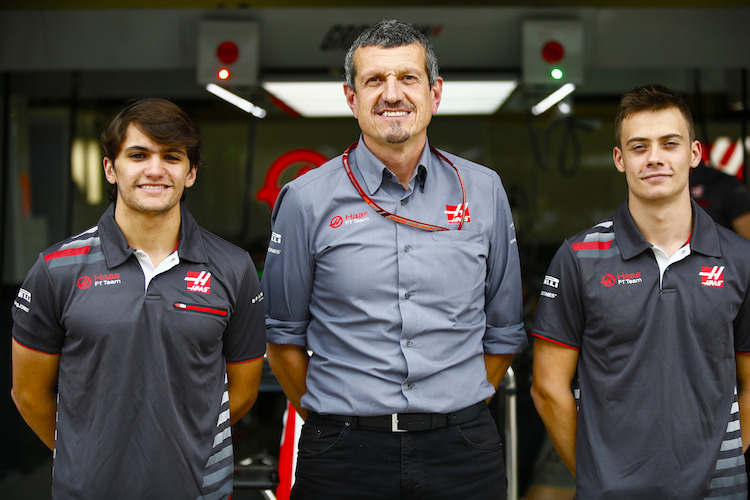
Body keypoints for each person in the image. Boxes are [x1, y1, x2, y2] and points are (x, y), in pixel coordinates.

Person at [262, 19, 527, 499]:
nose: (392, 93)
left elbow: (504, 330)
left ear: (435, 92)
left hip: (463, 453)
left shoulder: (484, 190)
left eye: (408, 78)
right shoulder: (304, 200)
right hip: (343, 455)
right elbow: (283, 340)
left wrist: (450, 410)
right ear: (351, 98)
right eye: (374, 80)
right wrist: (342, 421)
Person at [10, 98, 266, 499]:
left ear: (191, 172)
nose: (155, 169)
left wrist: (183, 442)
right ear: (111, 169)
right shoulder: (55, 269)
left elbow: (245, 391)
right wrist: (85, 454)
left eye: (172, 156)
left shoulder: (233, 268)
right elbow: (28, 394)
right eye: (138, 154)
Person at [531, 84, 750, 498]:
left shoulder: (741, 260)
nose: (654, 158)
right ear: (620, 159)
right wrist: (598, 477)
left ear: (694, 154)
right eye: (638, 146)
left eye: (670, 143)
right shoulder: (578, 258)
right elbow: (547, 388)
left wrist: (722, 463)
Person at [690, 160, 750, 238]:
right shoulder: (670, 185)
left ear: (695, 152)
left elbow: (747, 235)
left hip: (716, 247)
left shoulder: (725, 183)